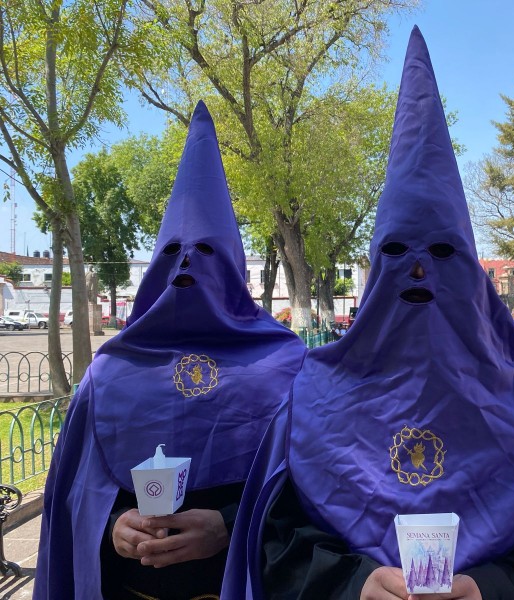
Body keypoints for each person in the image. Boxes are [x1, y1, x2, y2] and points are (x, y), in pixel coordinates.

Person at [222, 27, 514, 600]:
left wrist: (489, 588)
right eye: (396, 253)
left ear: (471, 273)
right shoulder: (311, 394)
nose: (418, 270)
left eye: (441, 252)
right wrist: (357, 584)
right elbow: (276, 539)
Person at [34, 102, 307, 599]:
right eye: (171, 253)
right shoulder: (111, 372)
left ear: (232, 267)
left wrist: (230, 525)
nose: (186, 266)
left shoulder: (288, 366)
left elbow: (313, 495)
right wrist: (113, 526)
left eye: (204, 252)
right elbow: (75, 496)